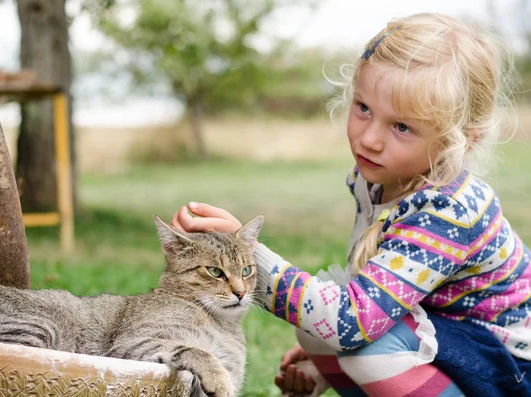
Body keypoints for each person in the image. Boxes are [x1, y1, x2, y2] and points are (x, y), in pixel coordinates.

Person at [170, 12, 531, 397]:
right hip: (455, 342)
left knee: (357, 344)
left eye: (402, 127)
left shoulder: (449, 212)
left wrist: (249, 256)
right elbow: (372, 293)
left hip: (511, 367)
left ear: (462, 141)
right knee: (319, 332)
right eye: (363, 108)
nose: (370, 138)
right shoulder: (381, 181)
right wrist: (326, 366)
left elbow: (354, 320)